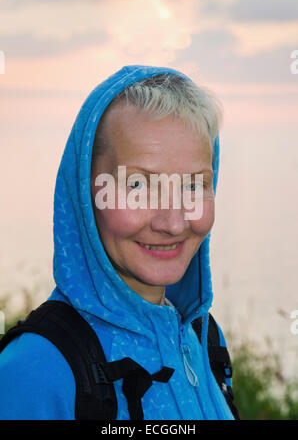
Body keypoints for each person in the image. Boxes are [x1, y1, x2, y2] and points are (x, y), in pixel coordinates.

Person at [0, 64, 236, 420]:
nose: (173, 223)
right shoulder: (35, 370)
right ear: (85, 192)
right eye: (138, 186)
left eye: (192, 185)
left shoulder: (203, 339)